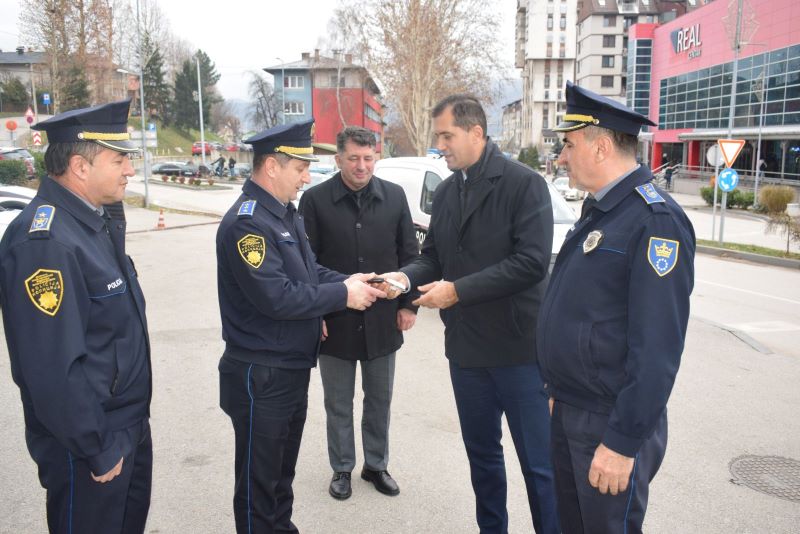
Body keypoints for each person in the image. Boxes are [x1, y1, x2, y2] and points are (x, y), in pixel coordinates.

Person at [379, 94, 560, 533]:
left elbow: (531, 263)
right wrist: (402, 278)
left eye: (447, 136)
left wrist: (457, 291)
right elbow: (433, 257)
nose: (440, 145)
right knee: (483, 459)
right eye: (438, 136)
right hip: (467, 353)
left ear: (476, 132)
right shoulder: (446, 191)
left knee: (540, 467)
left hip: (519, 353)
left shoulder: (524, 184)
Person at [537, 81, 695, 534]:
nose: (561, 157)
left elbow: (657, 351)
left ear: (601, 147)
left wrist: (622, 443)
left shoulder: (655, 221)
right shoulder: (602, 209)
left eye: (569, 145)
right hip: (572, 408)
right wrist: (558, 389)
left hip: (608, 423)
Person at [215, 119, 386, 533]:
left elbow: (309, 274)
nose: (307, 177)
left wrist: (350, 280)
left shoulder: (284, 214)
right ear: (272, 166)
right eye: (300, 167)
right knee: (259, 483)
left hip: (288, 367)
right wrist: (342, 296)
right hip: (262, 372)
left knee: (280, 476)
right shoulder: (248, 224)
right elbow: (277, 296)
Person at [0, 99, 153, 533]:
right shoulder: (45, 242)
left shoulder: (92, 223)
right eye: (119, 160)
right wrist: (95, 446)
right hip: (88, 443)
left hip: (126, 425)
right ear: (80, 167)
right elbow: (50, 367)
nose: (129, 170)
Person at [298, 126, 419, 500]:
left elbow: (410, 255)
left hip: (383, 320)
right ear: (338, 159)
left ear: (376, 158)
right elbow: (305, 264)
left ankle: (376, 465)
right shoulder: (315, 200)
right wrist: (316, 313)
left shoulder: (395, 197)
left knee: (380, 399)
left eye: (368, 158)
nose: (361, 166)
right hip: (335, 318)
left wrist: (408, 304)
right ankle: (342, 468)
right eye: (353, 158)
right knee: (338, 403)